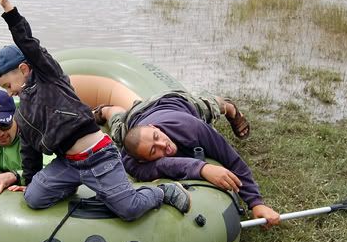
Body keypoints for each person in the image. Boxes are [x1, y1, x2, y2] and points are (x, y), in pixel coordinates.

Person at [0, 0, 191, 220]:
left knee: (128, 209)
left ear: (24, 69)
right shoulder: (23, 115)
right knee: (33, 198)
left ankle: (161, 192)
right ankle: (68, 186)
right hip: (68, 165)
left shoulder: (48, 77)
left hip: (99, 156)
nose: (9, 92)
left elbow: (28, 44)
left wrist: (9, 11)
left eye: (8, 84)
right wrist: (30, 182)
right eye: (4, 89)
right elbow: (30, 152)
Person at [94, 92, 281, 227]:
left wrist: (256, 203)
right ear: (142, 160)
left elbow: (232, 160)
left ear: (155, 128)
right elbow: (160, 166)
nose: (163, 145)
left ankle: (230, 108)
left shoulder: (192, 128)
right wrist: (201, 168)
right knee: (118, 126)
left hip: (175, 103)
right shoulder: (130, 160)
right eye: (153, 151)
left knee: (210, 106)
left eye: (157, 137)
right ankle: (106, 110)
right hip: (135, 117)